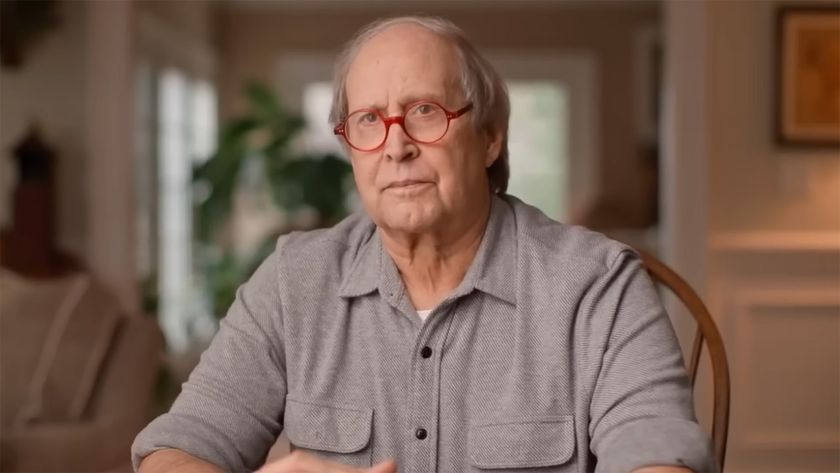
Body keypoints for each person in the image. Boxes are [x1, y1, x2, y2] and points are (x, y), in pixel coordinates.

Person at [132, 16, 715, 473]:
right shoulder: (293, 281)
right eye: (368, 120)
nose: (396, 146)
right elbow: (179, 447)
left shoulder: (598, 286)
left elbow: (658, 453)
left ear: (489, 137)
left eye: (425, 113)